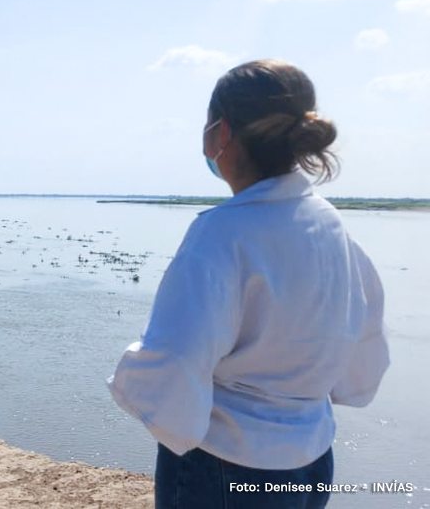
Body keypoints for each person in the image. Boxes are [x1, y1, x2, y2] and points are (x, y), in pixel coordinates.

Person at [107, 59, 389, 509]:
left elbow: (176, 358)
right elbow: (363, 351)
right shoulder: (330, 224)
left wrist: (132, 382)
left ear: (220, 134)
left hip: (224, 463)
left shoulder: (221, 232)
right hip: (312, 455)